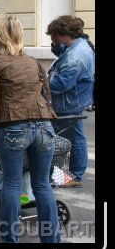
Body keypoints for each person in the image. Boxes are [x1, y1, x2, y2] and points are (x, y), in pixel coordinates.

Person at [0, 13, 59, 243]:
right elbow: (47, 96)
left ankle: (9, 238)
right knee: (43, 185)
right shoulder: (34, 62)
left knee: (13, 185)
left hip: (14, 126)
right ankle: (52, 240)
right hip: (44, 125)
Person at [46, 15, 94, 188]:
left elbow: (61, 84)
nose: (53, 39)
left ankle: (74, 176)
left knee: (59, 136)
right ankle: (69, 173)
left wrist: (41, 85)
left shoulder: (76, 56)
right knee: (73, 136)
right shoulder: (77, 45)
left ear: (62, 33)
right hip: (74, 100)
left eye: (54, 36)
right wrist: (55, 45)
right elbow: (62, 54)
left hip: (68, 103)